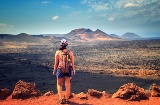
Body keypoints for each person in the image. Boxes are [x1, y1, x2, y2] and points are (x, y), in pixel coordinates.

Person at [53, 39, 75, 104]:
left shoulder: (58, 52)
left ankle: (61, 99)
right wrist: (73, 70)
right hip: (68, 70)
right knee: (67, 85)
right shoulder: (70, 53)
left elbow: (56, 63)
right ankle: (67, 99)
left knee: (59, 85)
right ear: (66, 45)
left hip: (60, 69)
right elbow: (73, 63)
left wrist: (54, 70)